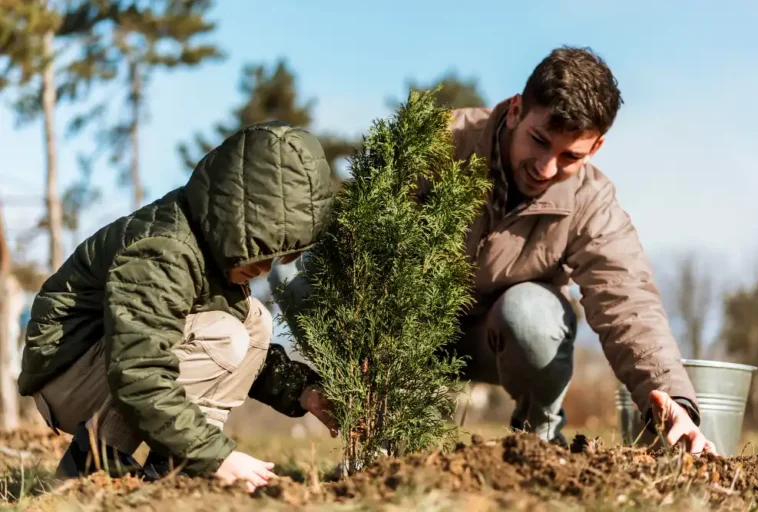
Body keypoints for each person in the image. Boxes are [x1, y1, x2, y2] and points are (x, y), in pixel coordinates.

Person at [276, 46, 717, 455]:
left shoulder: (591, 202)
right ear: (515, 110)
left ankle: (539, 438)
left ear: (596, 147)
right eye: (540, 140)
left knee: (533, 311)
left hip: (501, 342)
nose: (547, 168)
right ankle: (384, 432)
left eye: (570, 157)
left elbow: (628, 299)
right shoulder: (440, 143)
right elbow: (358, 235)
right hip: (407, 333)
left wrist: (673, 397)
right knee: (294, 275)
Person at [18, 122, 339, 491]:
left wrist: (302, 390)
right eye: (262, 249)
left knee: (254, 324)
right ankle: (91, 465)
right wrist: (217, 455)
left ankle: (173, 472)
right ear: (236, 216)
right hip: (67, 372)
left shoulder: (210, 250)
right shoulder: (164, 251)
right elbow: (139, 370)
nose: (266, 268)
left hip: (108, 364)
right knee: (224, 335)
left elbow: (247, 358)